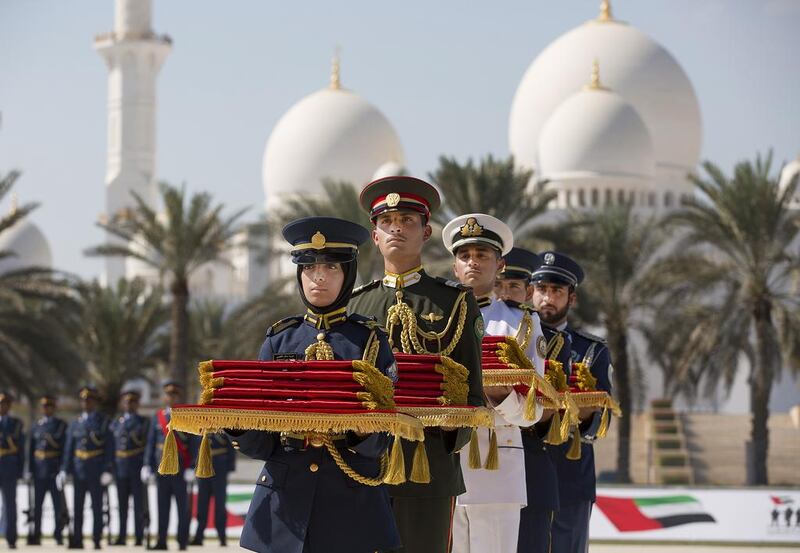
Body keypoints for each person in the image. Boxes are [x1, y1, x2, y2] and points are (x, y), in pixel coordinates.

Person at [227, 216, 400, 553]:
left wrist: (361, 433)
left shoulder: (370, 341)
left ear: (348, 274)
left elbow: (388, 435)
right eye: (309, 267)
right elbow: (262, 443)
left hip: (352, 507)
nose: (319, 276)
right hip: (284, 507)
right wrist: (236, 425)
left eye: (331, 267)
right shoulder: (279, 339)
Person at [348, 176, 485, 553]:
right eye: (387, 221)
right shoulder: (356, 306)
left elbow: (473, 393)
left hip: (429, 466)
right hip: (363, 466)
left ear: (426, 232)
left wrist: (448, 429)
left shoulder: (454, 303)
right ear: (375, 235)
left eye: (408, 220)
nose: (396, 228)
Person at [442, 216, 547, 553]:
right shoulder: (433, 320)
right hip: (443, 461)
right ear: (455, 265)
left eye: (483, 255)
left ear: (500, 264)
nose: (473, 262)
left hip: (497, 461)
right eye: (466, 255)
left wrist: (502, 399)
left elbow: (535, 411)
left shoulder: (522, 324)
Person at [530, 252, 612, 553]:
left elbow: (602, 422)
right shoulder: (511, 345)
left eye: (557, 291)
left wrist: (586, 410)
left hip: (569, 474)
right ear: (530, 291)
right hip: (521, 472)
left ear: (571, 298)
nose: (547, 298)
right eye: (541, 289)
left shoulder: (591, 351)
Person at [59, 386, 114, 550]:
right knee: (77, 508)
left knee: (97, 507)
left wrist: (107, 469)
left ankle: (97, 539)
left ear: (95, 402)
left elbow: (109, 447)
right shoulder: (76, 423)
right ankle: (77, 539)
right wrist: (64, 469)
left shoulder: (103, 422)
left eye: (90, 400)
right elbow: (69, 448)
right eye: (84, 400)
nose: (87, 403)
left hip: (97, 470)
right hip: (78, 470)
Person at [143, 381, 193, 551]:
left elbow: (193, 443)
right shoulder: (157, 417)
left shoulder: (186, 416)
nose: (170, 397)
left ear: (178, 397)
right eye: (168, 394)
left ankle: (182, 541)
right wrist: (147, 465)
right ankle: (161, 541)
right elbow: (151, 443)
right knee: (162, 507)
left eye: (174, 395)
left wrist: (192, 467)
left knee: (182, 508)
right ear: (164, 396)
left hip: (180, 469)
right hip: (161, 470)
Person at [111, 389, 150, 546]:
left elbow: (147, 445)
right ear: (122, 403)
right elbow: (112, 446)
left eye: (133, 402)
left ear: (137, 404)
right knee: (122, 506)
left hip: (136, 466)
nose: (129, 405)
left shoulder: (143, 422)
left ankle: (139, 536)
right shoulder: (116, 422)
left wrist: (146, 465)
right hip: (121, 469)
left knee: (139, 505)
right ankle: (121, 536)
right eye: (127, 402)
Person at [28, 395, 68, 545]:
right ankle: (36, 535)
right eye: (44, 407)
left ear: (53, 408)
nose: (47, 409)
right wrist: (29, 470)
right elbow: (31, 450)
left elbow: (64, 448)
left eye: (49, 407)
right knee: (37, 506)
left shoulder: (60, 425)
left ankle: (58, 534)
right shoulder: (36, 426)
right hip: (39, 471)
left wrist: (63, 469)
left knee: (57, 505)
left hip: (54, 470)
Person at [190, 433, 235, 546]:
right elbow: (195, 445)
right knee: (202, 503)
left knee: (220, 504)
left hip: (219, 465)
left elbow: (230, 445)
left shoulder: (222, 425)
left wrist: (230, 466)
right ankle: (199, 536)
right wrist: (192, 465)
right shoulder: (201, 425)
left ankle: (222, 536)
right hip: (203, 464)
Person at [0, 392, 25, 549]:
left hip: (9, 468)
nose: (2, 407)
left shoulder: (15, 424)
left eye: (5, 404)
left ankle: (11, 538)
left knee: (10, 504)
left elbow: (20, 449)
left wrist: (21, 471)